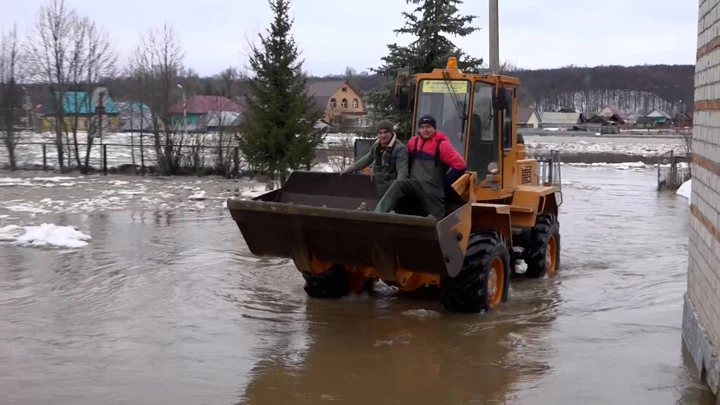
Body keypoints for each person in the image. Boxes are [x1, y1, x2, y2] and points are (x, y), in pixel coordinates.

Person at [374, 114, 467, 220]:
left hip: (432, 188)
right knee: (399, 183)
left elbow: (460, 165)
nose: (425, 130)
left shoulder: (442, 145)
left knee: (437, 217)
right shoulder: (414, 142)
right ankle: (378, 213)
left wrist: (445, 183)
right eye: (422, 127)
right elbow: (404, 161)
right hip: (414, 183)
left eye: (428, 127)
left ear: (434, 128)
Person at [340, 120, 408, 198]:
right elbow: (367, 159)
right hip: (379, 185)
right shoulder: (377, 146)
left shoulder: (400, 149)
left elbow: (402, 171)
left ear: (391, 133)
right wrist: (349, 169)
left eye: (386, 132)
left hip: (392, 188)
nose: (383, 135)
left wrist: (398, 188)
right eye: (380, 133)